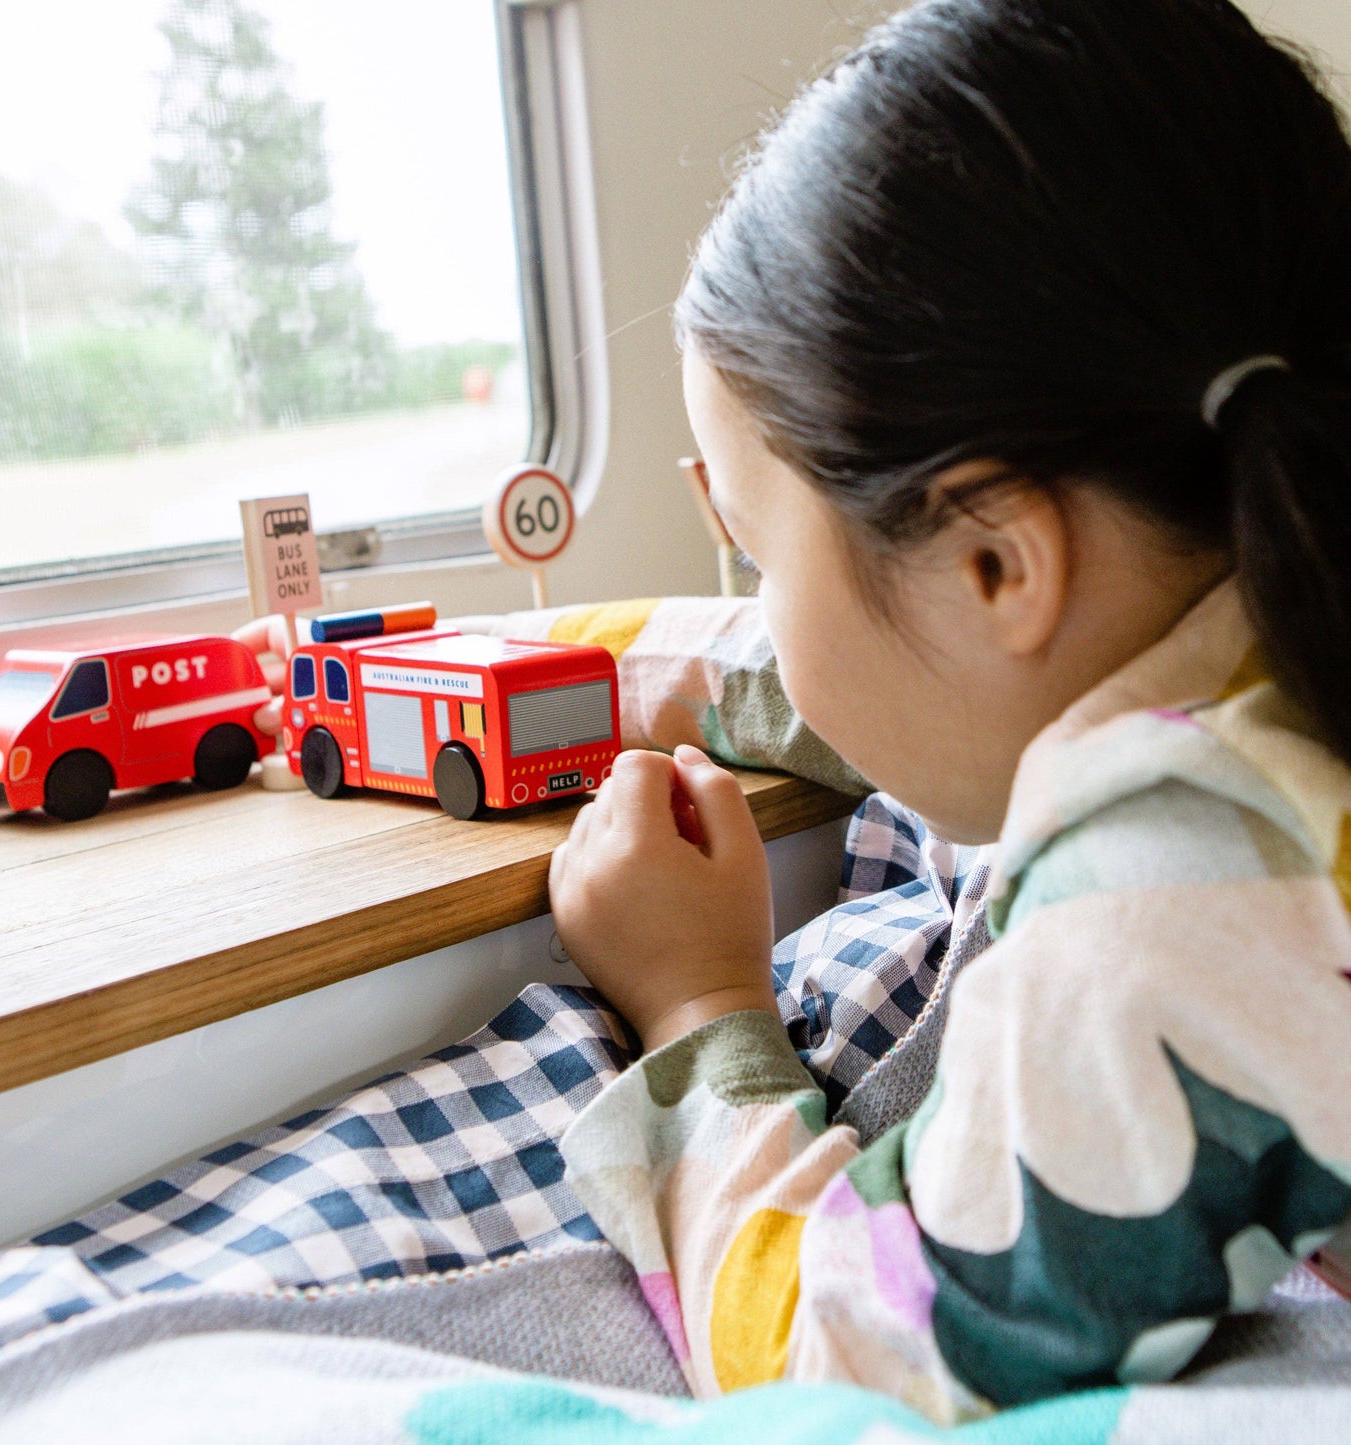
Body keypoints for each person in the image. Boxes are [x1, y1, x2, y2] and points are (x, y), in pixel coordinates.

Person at [547, 0, 1351, 1423]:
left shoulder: (1160, 917)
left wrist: (695, 1005)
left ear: (995, 564)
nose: (753, 601)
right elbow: (846, 668)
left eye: (752, 549)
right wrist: (568, 667)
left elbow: (844, 1360)